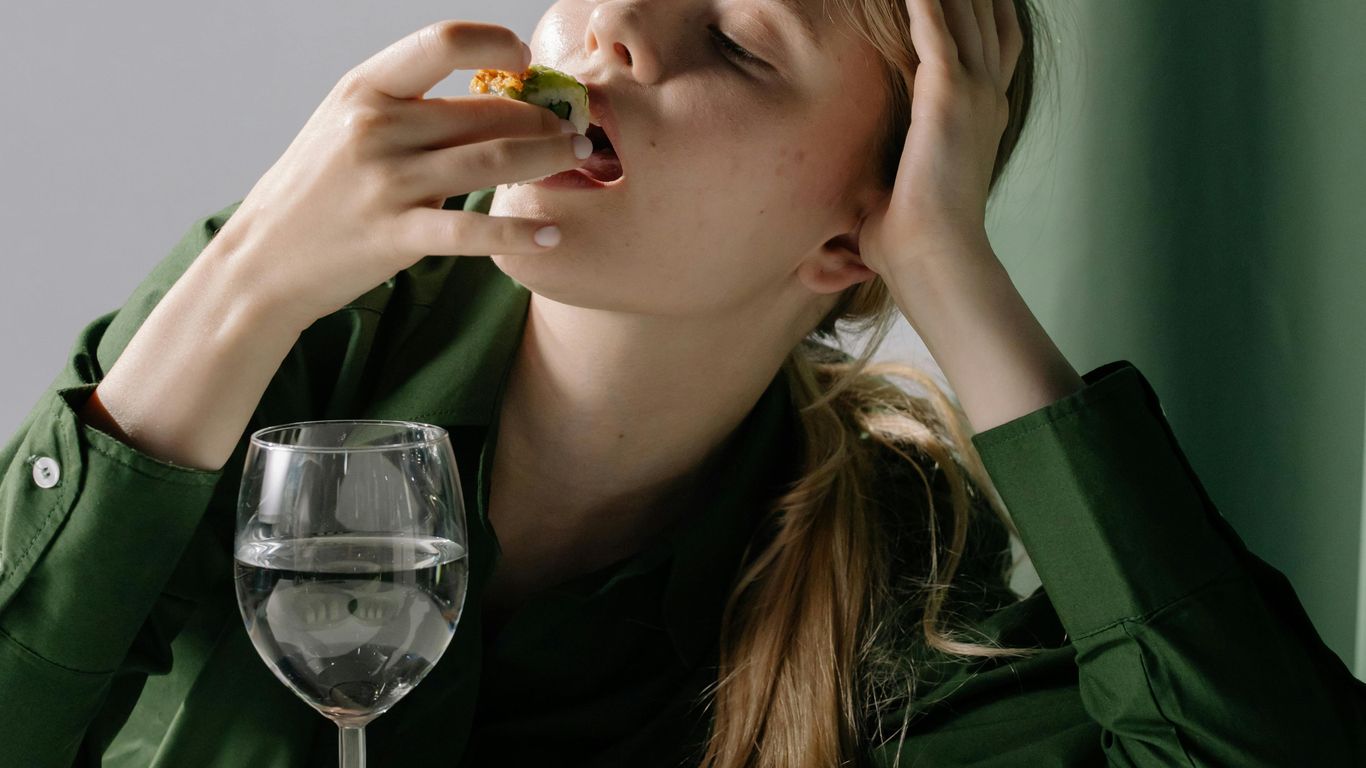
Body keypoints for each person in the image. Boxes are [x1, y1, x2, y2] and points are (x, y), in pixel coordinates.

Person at [0, 0, 1361, 765]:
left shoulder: (887, 578)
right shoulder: (282, 335)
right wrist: (243, 280)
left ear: (853, 238)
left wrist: (948, 270)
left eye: (739, 40)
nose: (615, 32)